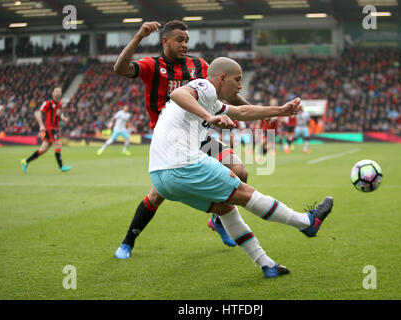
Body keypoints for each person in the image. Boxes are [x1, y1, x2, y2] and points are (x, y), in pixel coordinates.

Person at [148, 57, 333, 278]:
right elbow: (177, 94)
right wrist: (209, 118)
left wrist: (281, 111)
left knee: (225, 208)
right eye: (237, 79)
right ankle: (306, 223)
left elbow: (242, 112)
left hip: (160, 177)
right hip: (183, 164)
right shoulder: (204, 86)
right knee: (245, 192)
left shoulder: (214, 103)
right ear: (222, 78)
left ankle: (267, 265)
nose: (240, 86)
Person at [113, 20, 251, 259]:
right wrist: (138, 37)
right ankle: (128, 241)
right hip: (169, 143)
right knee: (157, 195)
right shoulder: (152, 66)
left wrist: (256, 112)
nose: (185, 44)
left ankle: (217, 220)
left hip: (200, 136)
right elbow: (120, 69)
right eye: (180, 40)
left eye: (187, 40)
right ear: (164, 41)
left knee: (240, 172)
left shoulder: (199, 66)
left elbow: (228, 93)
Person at [21, 86, 72, 173]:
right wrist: (41, 125)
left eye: (59, 91)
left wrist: (64, 119)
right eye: (56, 91)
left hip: (55, 128)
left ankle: (26, 161)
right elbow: (38, 113)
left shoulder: (59, 104)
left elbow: (58, 115)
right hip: (50, 128)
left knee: (43, 149)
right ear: (53, 93)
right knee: (58, 144)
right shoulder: (47, 103)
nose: (58, 93)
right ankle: (61, 167)